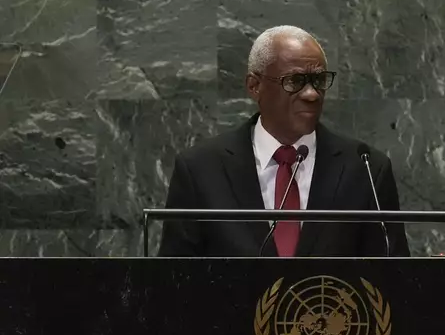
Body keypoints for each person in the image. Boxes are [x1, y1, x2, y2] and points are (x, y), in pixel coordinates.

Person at [158, 25, 410, 257]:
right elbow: (173, 283)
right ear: (254, 86)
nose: (312, 94)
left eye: (319, 81)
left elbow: (393, 281)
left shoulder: (365, 169)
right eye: (295, 81)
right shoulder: (201, 170)